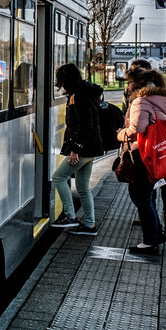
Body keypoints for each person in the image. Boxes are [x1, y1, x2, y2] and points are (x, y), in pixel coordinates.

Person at [117, 67, 166, 253]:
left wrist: (120, 134)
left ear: (139, 84)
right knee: (139, 194)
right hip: (154, 154)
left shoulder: (141, 101)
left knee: (142, 198)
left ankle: (150, 242)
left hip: (142, 153)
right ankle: (156, 233)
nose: (127, 86)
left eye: (130, 82)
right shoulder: (161, 100)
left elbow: (136, 130)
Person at [126, 58, 166, 231]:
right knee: (154, 181)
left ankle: (163, 217)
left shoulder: (153, 94)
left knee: (157, 181)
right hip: (156, 144)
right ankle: (152, 215)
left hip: (152, 145)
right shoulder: (136, 93)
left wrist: (159, 136)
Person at [51, 63, 103, 235]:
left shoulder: (80, 96)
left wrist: (76, 149)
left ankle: (70, 216)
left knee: (58, 177)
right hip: (91, 148)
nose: (60, 83)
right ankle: (89, 225)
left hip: (84, 149)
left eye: (61, 79)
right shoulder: (83, 93)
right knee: (82, 187)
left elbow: (85, 126)